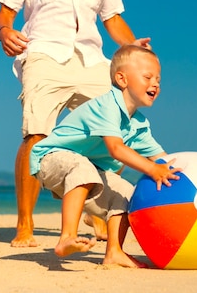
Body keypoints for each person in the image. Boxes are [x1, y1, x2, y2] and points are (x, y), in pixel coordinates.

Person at [0, 0, 151, 247]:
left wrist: (131, 48)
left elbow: (112, 19)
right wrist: (4, 32)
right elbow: (4, 12)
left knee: (114, 134)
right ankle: (25, 224)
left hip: (93, 59)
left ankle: (98, 207)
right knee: (37, 135)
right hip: (44, 54)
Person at [30, 45, 180, 267]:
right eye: (147, 77)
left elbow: (164, 160)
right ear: (122, 79)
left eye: (158, 79)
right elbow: (116, 149)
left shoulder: (138, 125)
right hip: (51, 158)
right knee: (82, 167)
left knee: (127, 193)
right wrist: (152, 170)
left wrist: (187, 176)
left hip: (89, 170)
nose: (155, 83)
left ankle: (114, 252)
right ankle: (67, 236)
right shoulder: (107, 106)